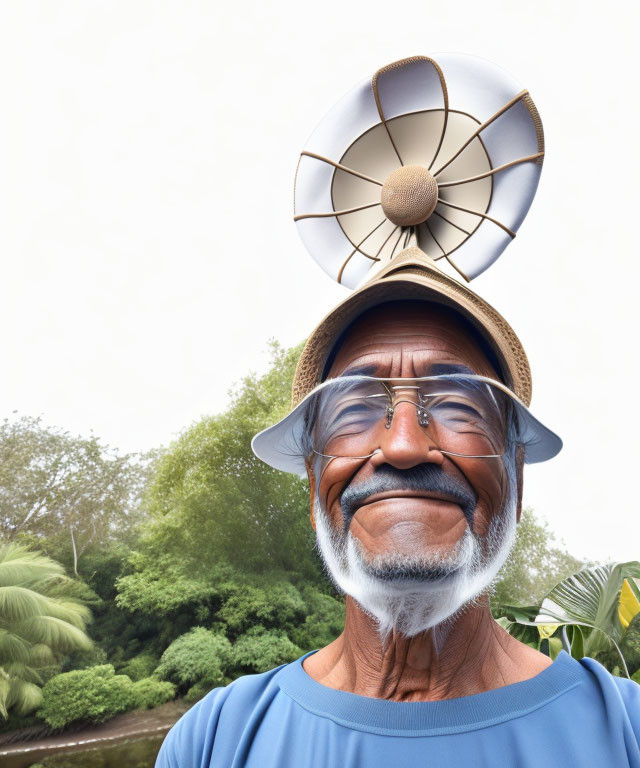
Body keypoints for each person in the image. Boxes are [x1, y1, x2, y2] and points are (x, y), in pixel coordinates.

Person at [155, 248, 640, 767]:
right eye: (355, 408)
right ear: (315, 490)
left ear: (515, 477)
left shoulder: (627, 733)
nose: (404, 446)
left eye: (457, 404)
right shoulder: (213, 742)